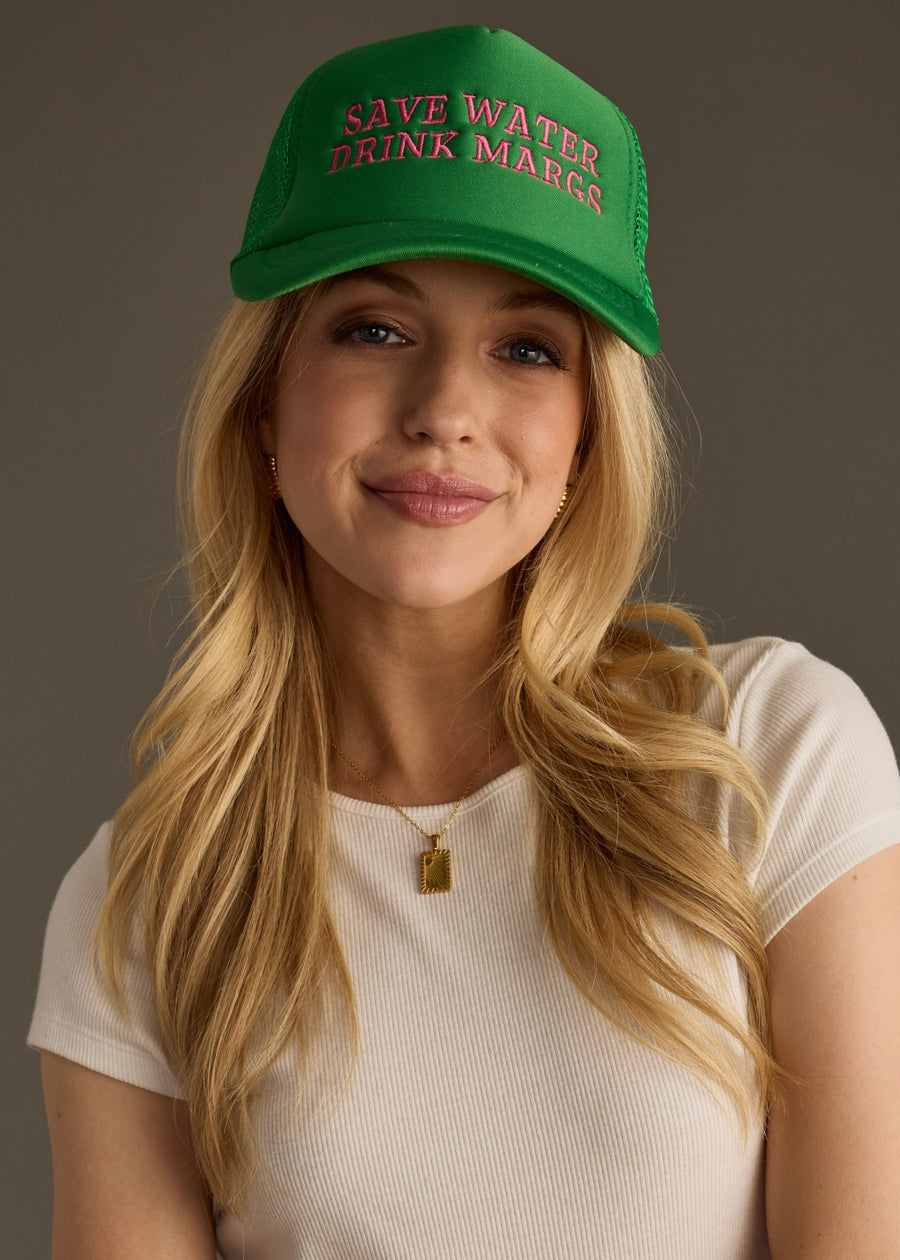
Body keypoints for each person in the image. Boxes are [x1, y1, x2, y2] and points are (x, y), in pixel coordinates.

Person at [28, 25, 900, 1259]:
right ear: (266, 404)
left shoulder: (768, 756)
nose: (445, 412)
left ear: (588, 440)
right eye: (374, 328)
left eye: (528, 350)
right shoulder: (146, 905)